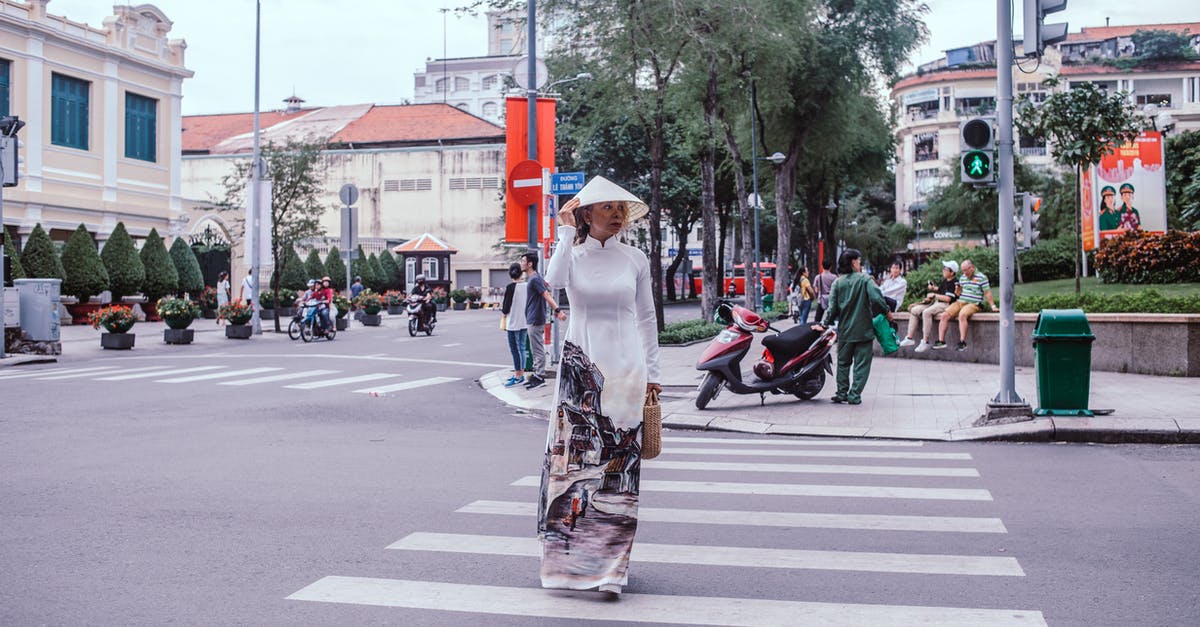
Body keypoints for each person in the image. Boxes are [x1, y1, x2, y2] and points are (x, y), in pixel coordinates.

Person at [538, 175, 661, 596]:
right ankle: (566, 567)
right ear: (586, 213)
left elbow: (647, 319)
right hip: (580, 373)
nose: (617, 214)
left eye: (620, 208)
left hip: (627, 371)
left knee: (620, 473)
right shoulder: (571, 256)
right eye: (606, 207)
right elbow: (552, 283)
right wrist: (566, 231)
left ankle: (612, 570)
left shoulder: (636, 259)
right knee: (572, 468)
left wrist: (655, 375)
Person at [812, 249, 889, 405]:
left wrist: (823, 324)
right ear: (853, 262)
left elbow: (831, 308)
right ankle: (854, 395)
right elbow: (877, 298)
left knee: (843, 363)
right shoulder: (865, 280)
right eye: (859, 261)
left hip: (845, 331)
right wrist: (887, 311)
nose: (860, 264)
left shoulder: (837, 283)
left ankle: (841, 393)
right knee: (862, 365)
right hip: (864, 331)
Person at [520, 251, 564, 390]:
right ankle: (536, 374)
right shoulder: (533, 279)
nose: (521, 263)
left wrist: (558, 310)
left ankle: (539, 377)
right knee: (535, 348)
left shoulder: (535, 279)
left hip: (535, 318)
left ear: (530, 264)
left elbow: (546, 295)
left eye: (523, 261)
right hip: (533, 317)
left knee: (537, 349)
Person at [935, 259, 996, 351]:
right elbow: (959, 294)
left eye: (966, 270)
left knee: (962, 315)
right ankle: (941, 341)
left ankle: (962, 342)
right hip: (961, 301)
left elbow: (987, 293)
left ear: (972, 268)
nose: (964, 273)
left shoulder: (981, 277)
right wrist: (957, 290)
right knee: (944, 315)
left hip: (973, 303)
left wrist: (993, 306)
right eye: (962, 270)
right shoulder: (963, 278)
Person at [899, 260, 958, 353]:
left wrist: (934, 295)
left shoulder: (955, 283)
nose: (943, 271)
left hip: (946, 305)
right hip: (937, 303)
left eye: (945, 269)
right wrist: (933, 289)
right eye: (943, 269)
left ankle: (925, 341)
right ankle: (909, 338)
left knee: (926, 312)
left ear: (952, 272)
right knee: (914, 310)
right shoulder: (946, 280)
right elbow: (941, 290)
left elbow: (948, 298)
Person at [500, 263, 528, 388]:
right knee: (522, 348)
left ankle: (518, 376)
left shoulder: (510, 287)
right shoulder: (526, 285)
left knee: (515, 350)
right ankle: (521, 374)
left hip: (513, 323)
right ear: (521, 273)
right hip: (524, 322)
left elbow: (505, 308)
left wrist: (504, 313)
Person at [812, 258, 837, 324]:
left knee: (817, 319)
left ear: (822, 266)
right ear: (830, 267)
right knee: (832, 318)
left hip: (821, 300)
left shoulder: (818, 277)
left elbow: (816, 290)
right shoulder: (834, 277)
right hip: (832, 299)